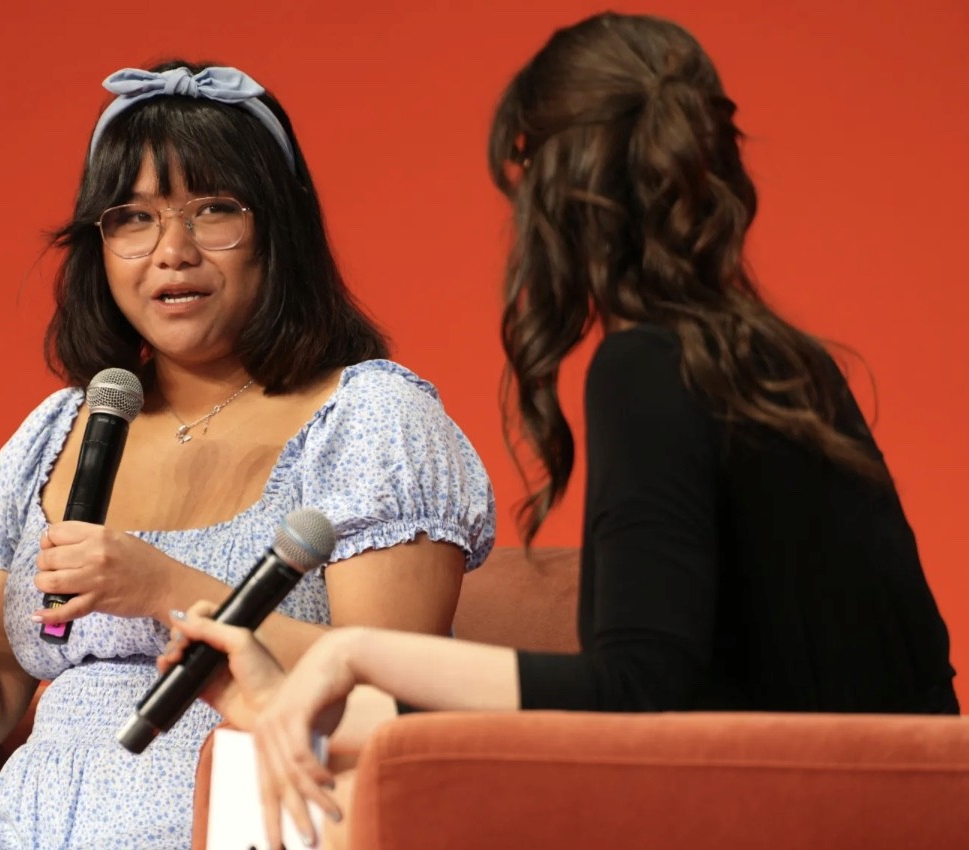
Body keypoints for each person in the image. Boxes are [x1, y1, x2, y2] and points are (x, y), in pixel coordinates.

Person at [161, 13, 959, 849]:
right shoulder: (786, 365)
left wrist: (351, 656)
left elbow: (635, 693)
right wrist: (306, 697)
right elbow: (687, 695)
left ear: (552, 185)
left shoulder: (649, 369)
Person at [0, 61, 494, 849]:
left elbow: (400, 696)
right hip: (22, 829)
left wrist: (164, 589)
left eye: (214, 210)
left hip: (231, 825)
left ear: (278, 230)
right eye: (133, 218)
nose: (172, 251)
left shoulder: (369, 418)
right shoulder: (64, 428)